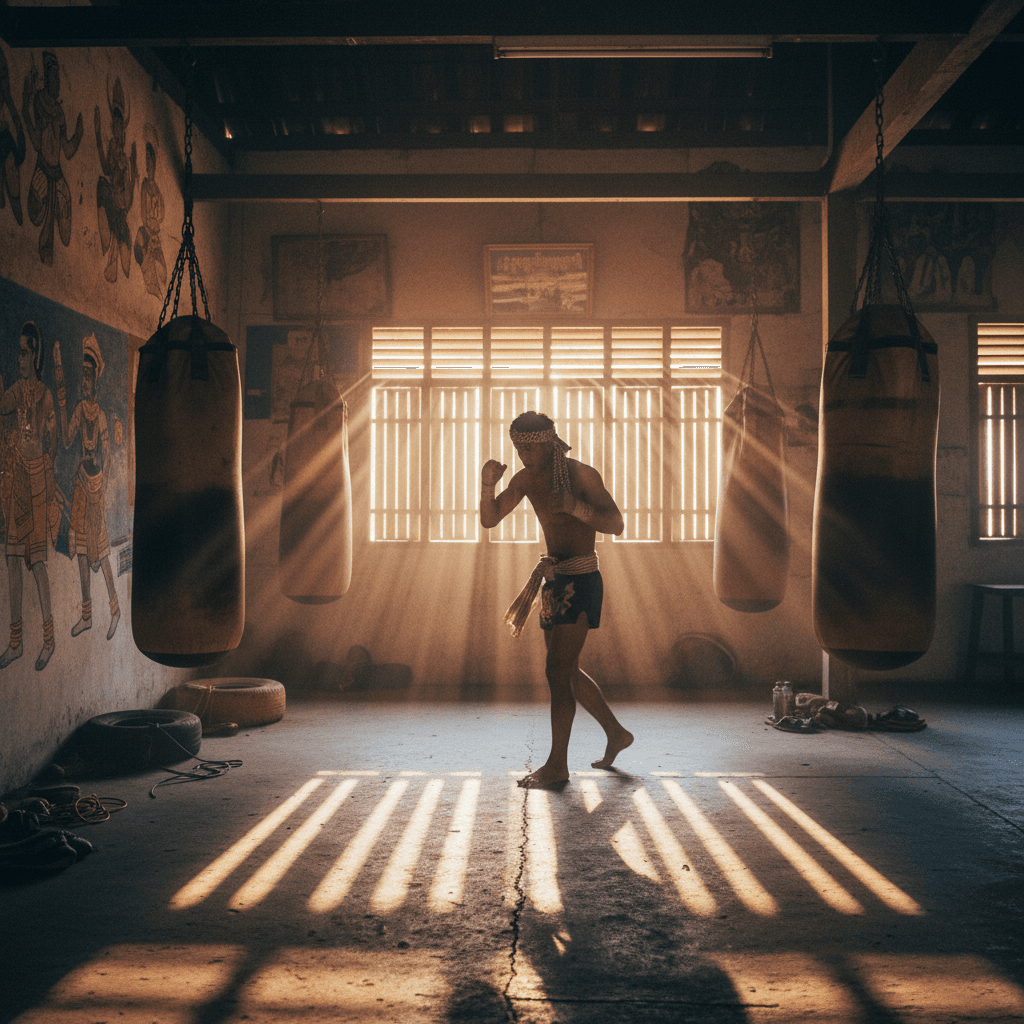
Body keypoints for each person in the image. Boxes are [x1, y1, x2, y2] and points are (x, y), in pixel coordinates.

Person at [480, 410, 633, 788]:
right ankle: (615, 733)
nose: (522, 456)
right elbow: (490, 519)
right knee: (566, 670)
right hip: (553, 581)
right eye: (517, 448)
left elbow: (616, 524)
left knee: (556, 671)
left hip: (582, 581)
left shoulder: (582, 475)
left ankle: (557, 767)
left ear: (548, 443)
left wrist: (576, 508)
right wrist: (486, 486)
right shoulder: (527, 479)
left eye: (528, 449)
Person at [0, 321, 60, 670]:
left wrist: (48, 470)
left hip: (37, 478)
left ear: (35, 354)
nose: (20, 358)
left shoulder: (44, 396)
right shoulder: (16, 391)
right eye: (18, 351)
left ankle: (49, 640)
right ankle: (16, 642)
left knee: (36, 562)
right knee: (11, 559)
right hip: (17, 478)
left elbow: (51, 439)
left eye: (24, 351)